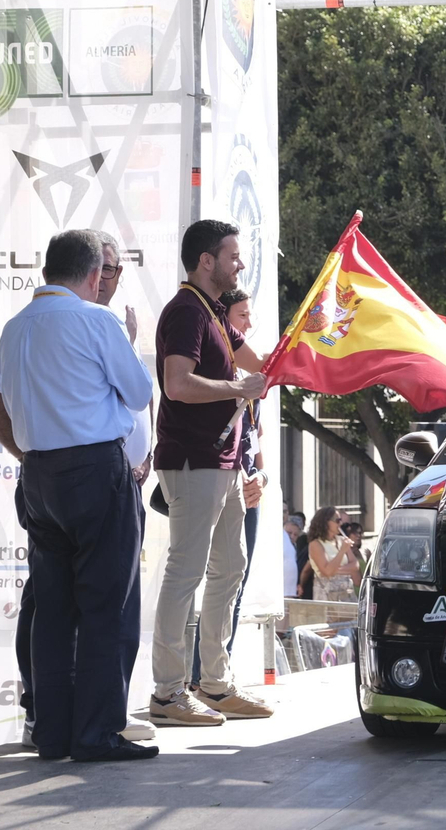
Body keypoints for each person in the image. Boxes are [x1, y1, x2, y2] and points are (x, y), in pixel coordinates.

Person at [0, 233, 158, 748]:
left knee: (52, 608)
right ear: (90, 275)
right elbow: (140, 392)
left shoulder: (15, 328)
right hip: (95, 472)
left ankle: (52, 730)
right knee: (105, 605)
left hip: (38, 472)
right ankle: (98, 732)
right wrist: (125, 340)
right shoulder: (95, 320)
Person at [149, 219, 274, 727]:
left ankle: (214, 684)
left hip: (221, 464)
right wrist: (239, 389)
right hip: (191, 459)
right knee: (187, 571)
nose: (239, 264)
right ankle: (166, 692)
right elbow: (177, 385)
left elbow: (262, 366)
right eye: (232, 256)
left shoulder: (216, 314)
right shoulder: (185, 311)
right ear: (207, 261)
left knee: (230, 567)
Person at [190, 287, 268, 689]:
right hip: (212, 480)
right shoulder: (217, 378)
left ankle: (220, 673)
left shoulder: (253, 383)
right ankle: (194, 678)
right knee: (201, 576)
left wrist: (260, 478)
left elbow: (256, 439)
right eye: (242, 317)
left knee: (234, 578)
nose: (247, 326)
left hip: (247, 489)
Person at [306, 507, 361, 602]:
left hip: (346, 593)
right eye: (337, 520)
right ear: (326, 522)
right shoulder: (316, 544)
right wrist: (342, 551)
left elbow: (355, 566)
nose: (340, 523)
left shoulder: (342, 540)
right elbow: (327, 572)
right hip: (326, 594)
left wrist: (334, 570)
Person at [282, 513, 305, 598]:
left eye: (295, 535)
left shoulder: (295, 547)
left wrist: (297, 583)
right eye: (289, 532)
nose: (292, 536)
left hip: (290, 592)